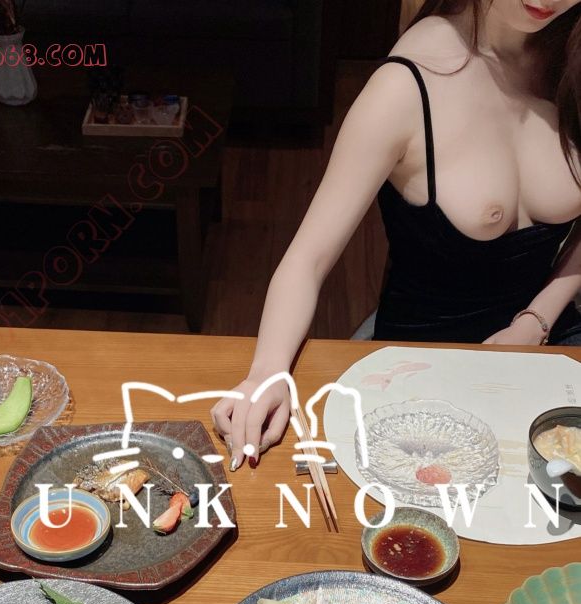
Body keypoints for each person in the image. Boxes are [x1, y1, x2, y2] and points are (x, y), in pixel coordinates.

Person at [211, 0, 581, 470]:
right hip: (426, 367)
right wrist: (267, 374)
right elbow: (308, 258)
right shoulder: (407, 85)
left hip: (549, 345)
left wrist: (535, 322)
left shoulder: (571, 56)